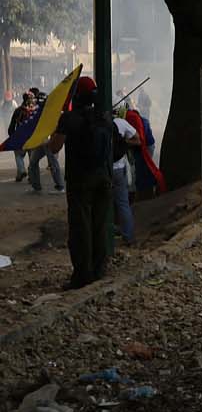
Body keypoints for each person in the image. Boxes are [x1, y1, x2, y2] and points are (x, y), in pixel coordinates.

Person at [46, 77, 117, 289]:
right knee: (100, 225)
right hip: (103, 178)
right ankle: (99, 269)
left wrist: (56, 127)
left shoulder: (69, 119)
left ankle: (82, 276)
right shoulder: (104, 118)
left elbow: (54, 147)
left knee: (81, 228)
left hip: (80, 181)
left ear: (76, 96)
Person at [110, 111, 142, 245]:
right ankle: (128, 236)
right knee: (123, 203)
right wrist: (124, 142)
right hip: (118, 168)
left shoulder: (95, 122)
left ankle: (104, 234)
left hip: (101, 170)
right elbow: (138, 140)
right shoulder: (121, 123)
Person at [123, 107, 165, 200]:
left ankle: (146, 189)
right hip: (148, 145)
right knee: (146, 167)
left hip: (146, 146)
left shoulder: (139, 122)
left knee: (145, 167)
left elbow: (141, 140)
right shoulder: (143, 120)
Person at [7, 91, 35, 182]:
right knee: (32, 158)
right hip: (32, 137)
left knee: (18, 156)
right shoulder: (34, 111)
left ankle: (22, 171)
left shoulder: (18, 110)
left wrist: (12, 136)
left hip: (20, 136)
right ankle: (31, 176)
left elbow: (12, 125)